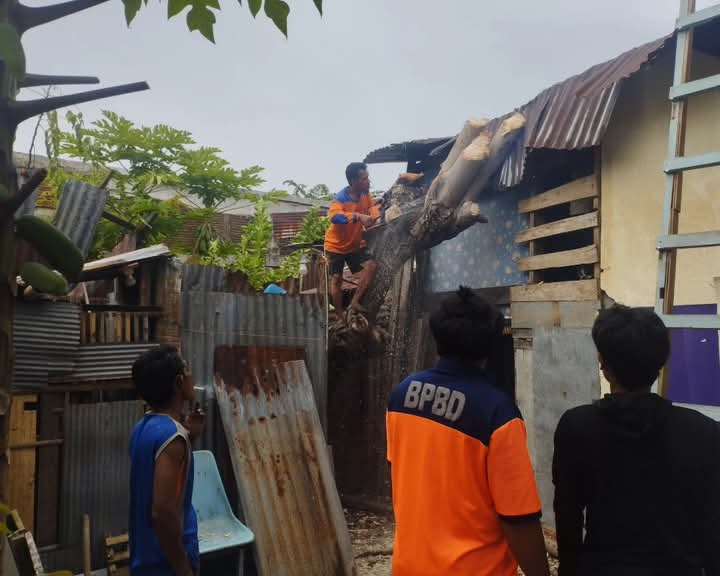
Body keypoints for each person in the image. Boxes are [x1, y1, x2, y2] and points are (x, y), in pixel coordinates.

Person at [386, 286, 550, 576]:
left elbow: (403, 473)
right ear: (490, 344)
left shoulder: (401, 396)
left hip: (409, 567)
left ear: (438, 336)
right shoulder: (497, 414)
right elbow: (518, 519)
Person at [553, 305, 720, 576]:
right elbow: (712, 524)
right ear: (660, 365)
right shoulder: (703, 432)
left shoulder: (577, 427)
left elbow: (568, 516)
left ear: (604, 366)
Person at [129, 346, 205, 576]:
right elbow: (162, 513)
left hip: (144, 556)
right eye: (187, 370)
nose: (192, 375)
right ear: (179, 383)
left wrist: (190, 436)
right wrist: (183, 569)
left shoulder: (143, 428)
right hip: (165, 563)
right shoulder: (172, 439)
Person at [324, 162, 380, 322]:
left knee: (371, 267)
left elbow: (371, 210)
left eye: (368, 178)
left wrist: (375, 216)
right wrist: (357, 216)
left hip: (354, 244)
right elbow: (335, 217)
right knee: (336, 279)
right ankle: (340, 316)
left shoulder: (366, 195)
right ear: (354, 181)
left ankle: (354, 302)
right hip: (335, 246)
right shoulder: (340, 199)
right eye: (364, 179)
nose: (368, 181)